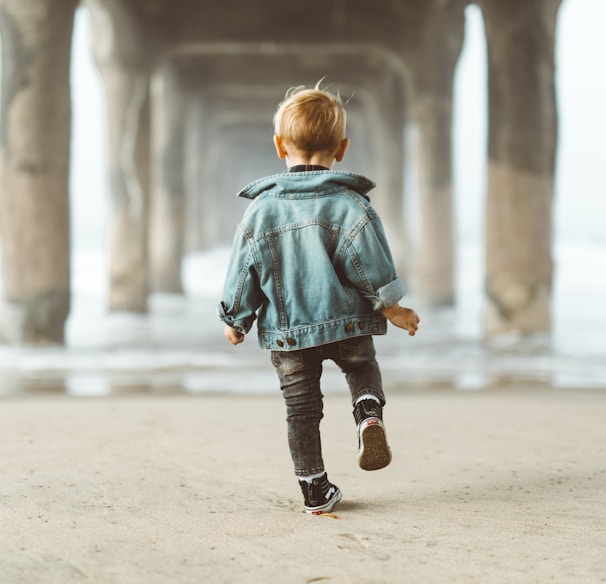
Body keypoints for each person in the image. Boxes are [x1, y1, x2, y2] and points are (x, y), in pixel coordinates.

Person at [218, 83, 420, 515]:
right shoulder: (352, 205)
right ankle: (368, 413)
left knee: (301, 410)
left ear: (278, 146)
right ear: (342, 148)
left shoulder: (260, 211)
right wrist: (392, 307)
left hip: (289, 334)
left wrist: (236, 319)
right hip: (349, 323)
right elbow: (371, 265)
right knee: (362, 367)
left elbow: (243, 270)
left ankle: (315, 490)